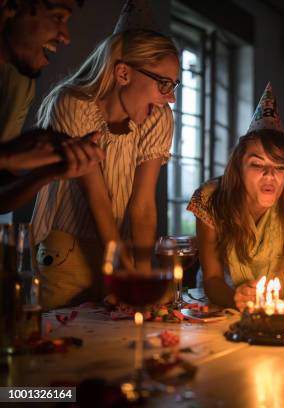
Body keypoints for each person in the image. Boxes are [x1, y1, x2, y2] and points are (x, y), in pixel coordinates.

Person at [31, 28, 179, 310]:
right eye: (163, 83)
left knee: (120, 345)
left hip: (123, 252)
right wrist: (125, 272)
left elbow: (143, 204)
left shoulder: (157, 116)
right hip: (69, 254)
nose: (170, 97)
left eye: (174, 85)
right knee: (63, 343)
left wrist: (143, 271)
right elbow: (96, 197)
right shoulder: (73, 104)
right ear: (123, 74)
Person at [187, 84, 284, 311]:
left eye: (279, 167)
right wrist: (236, 298)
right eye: (257, 164)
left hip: (268, 307)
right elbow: (212, 279)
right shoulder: (211, 199)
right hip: (218, 304)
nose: (270, 175)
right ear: (239, 167)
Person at [0, 0, 103, 215]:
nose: (65, 36)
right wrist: (9, 155)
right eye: (58, 17)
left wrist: (49, 171)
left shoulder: (21, 79)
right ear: (11, 6)